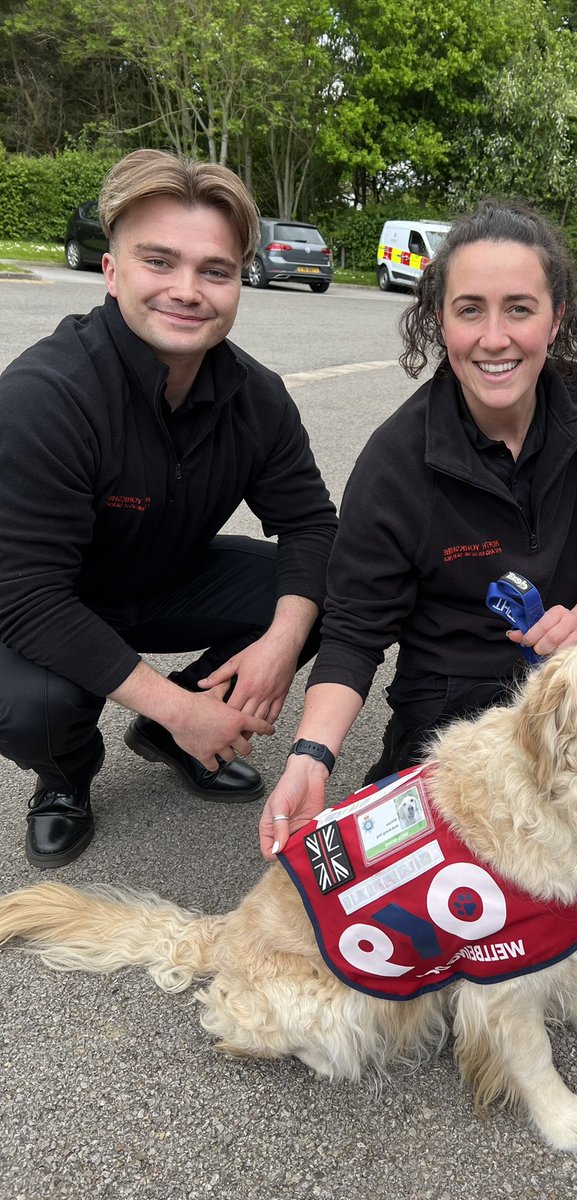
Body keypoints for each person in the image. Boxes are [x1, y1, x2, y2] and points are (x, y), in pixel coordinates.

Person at [257, 198, 577, 859]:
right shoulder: (394, 461)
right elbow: (354, 631)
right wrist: (311, 755)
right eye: (470, 310)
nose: (494, 338)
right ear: (439, 321)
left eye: (519, 309)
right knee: (415, 854)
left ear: (556, 319)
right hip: (452, 691)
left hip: (574, 676)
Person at [0, 149, 338, 869]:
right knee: (33, 709)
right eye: (159, 262)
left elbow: (311, 525)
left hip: (165, 580)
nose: (187, 291)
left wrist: (281, 643)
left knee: (324, 594)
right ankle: (65, 778)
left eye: (215, 271)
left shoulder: (257, 397)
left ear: (239, 281)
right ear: (111, 270)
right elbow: (26, 598)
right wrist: (184, 710)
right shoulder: (44, 396)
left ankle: (168, 733)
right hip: (52, 602)